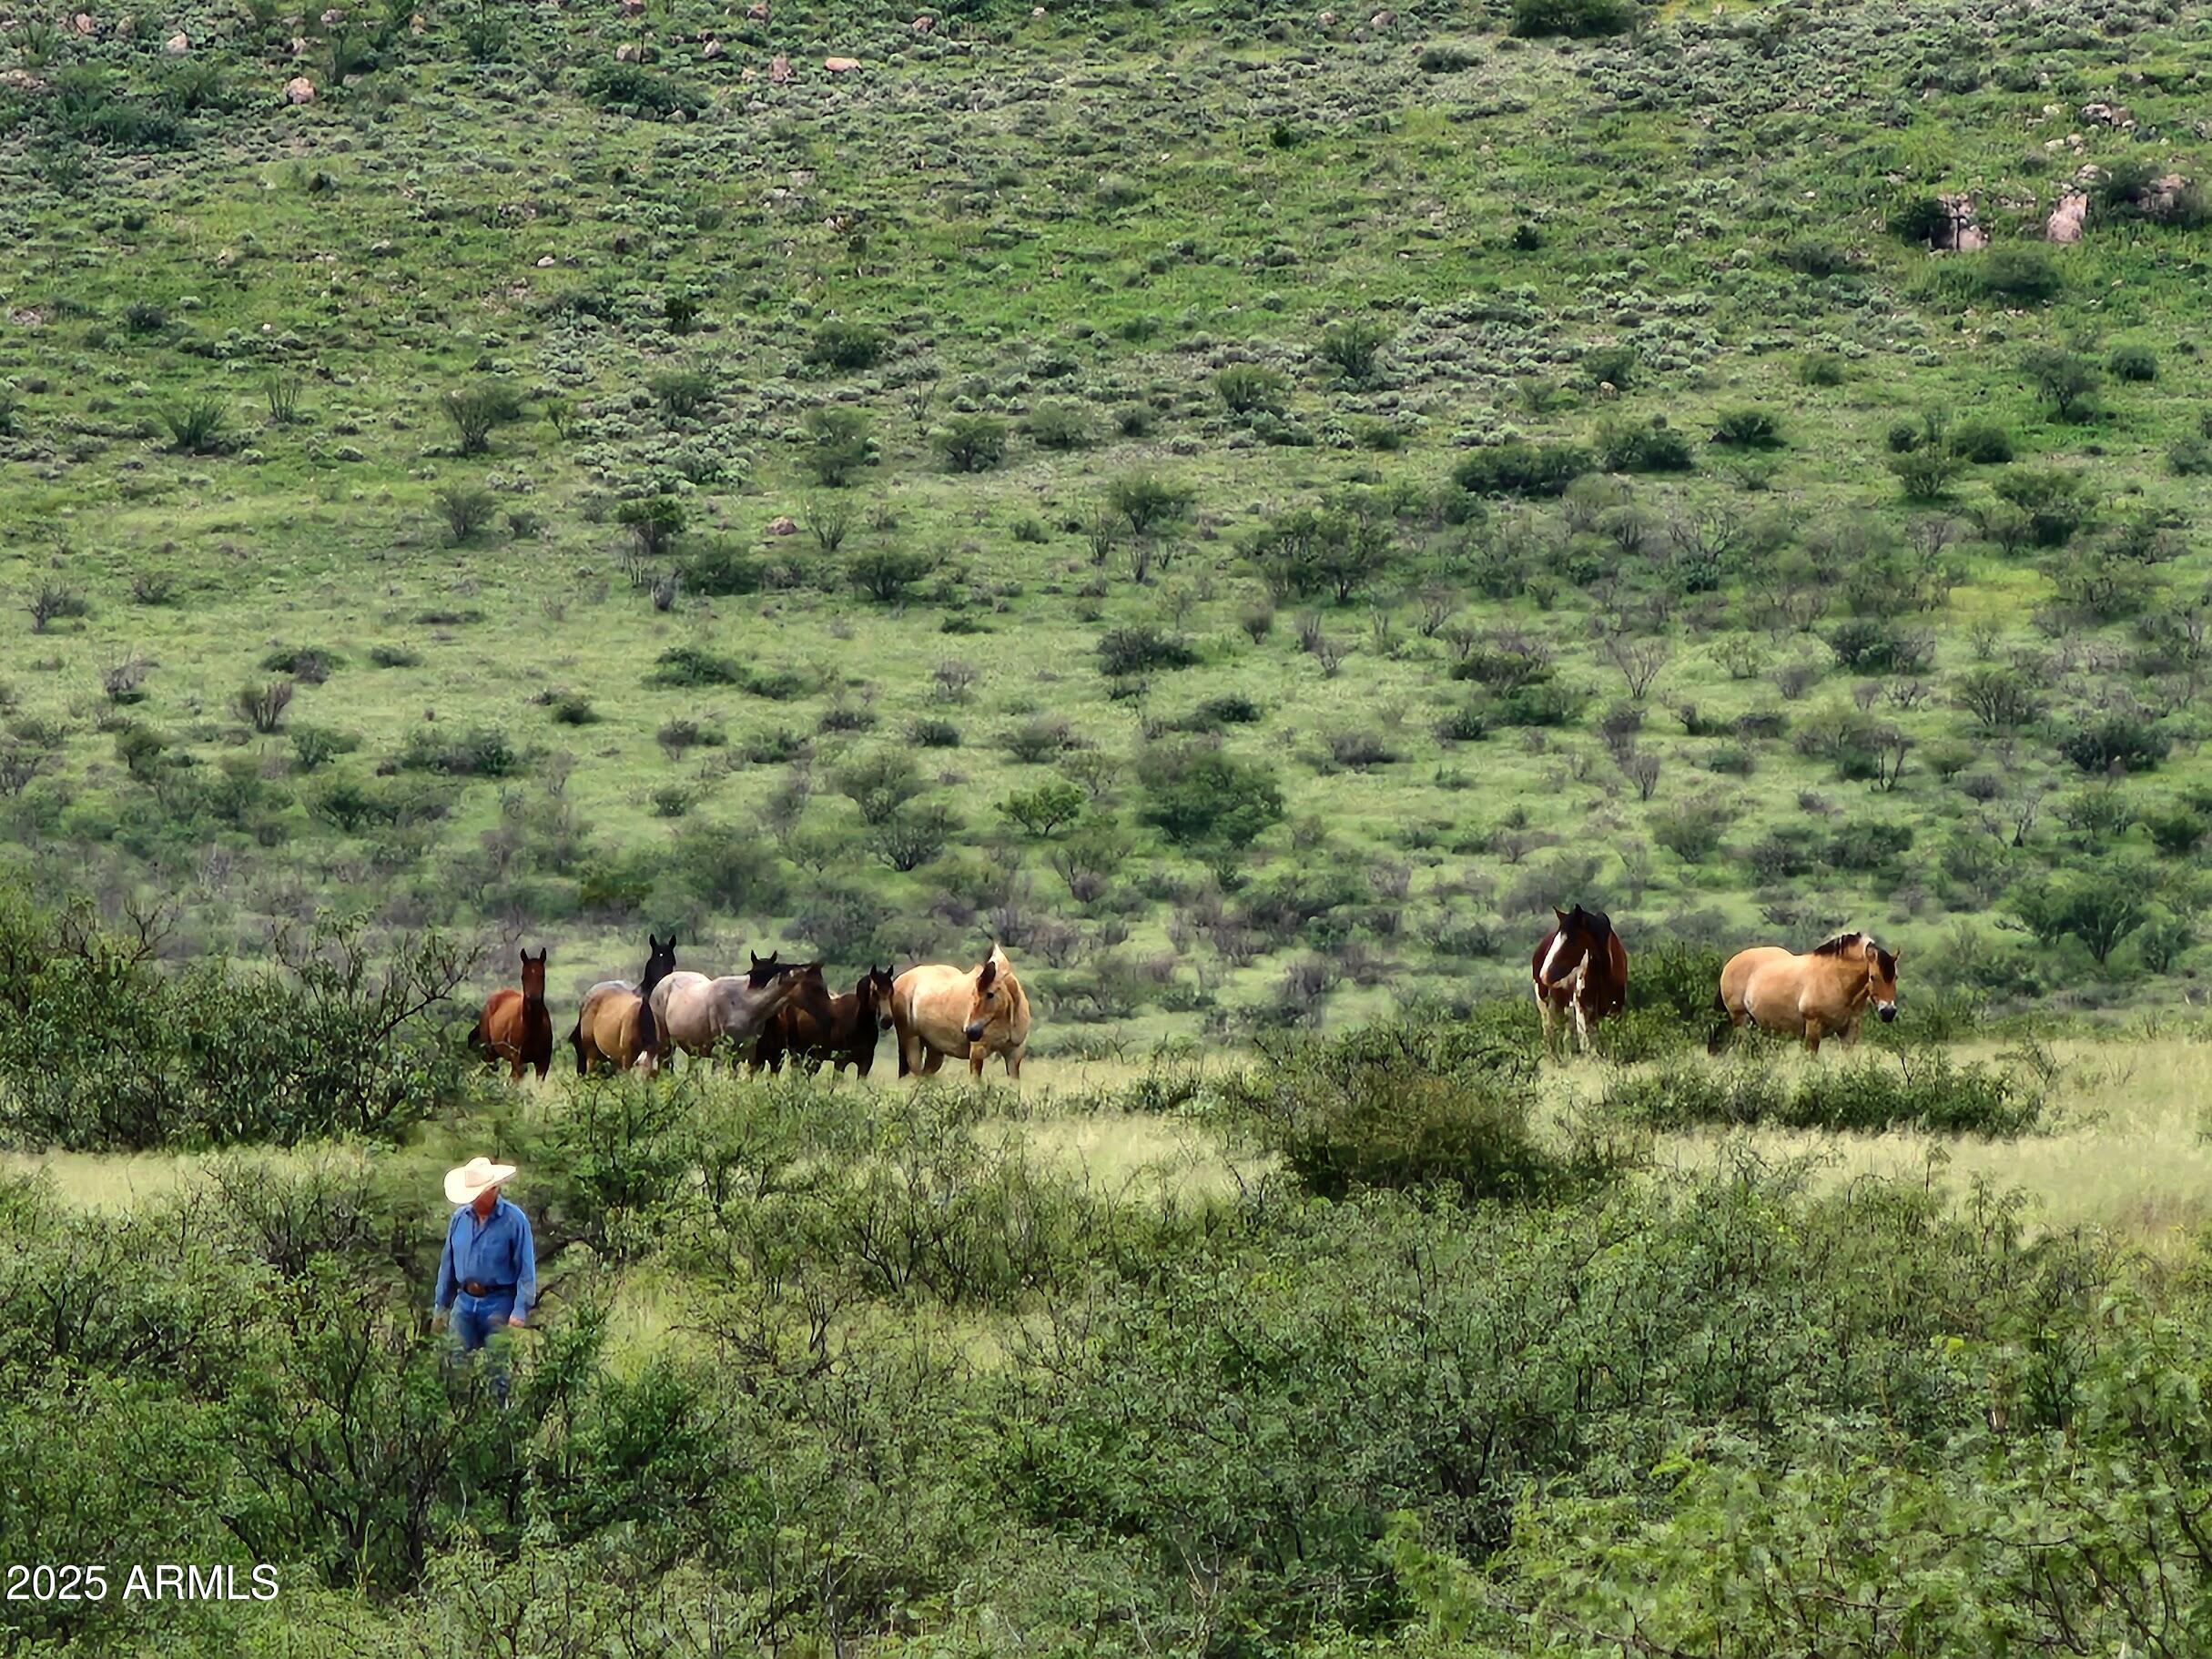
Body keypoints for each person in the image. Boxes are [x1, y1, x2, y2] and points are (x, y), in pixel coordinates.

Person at [433, 1158, 537, 1392]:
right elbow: (447, 1265)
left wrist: (520, 1310)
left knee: (497, 1371)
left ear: (493, 1190)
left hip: (498, 1302)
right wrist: (441, 1307)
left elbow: (526, 1268)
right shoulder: (459, 1219)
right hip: (464, 1300)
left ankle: (497, 1420)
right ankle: (459, 1419)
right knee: (455, 1364)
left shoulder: (514, 1220)